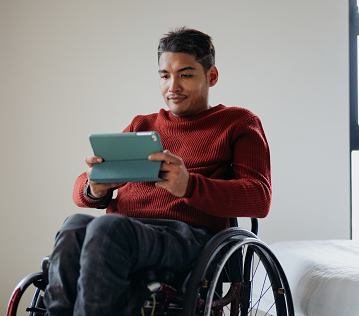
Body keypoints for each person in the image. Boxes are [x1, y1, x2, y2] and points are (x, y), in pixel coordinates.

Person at [43, 27, 272, 315]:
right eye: (165, 75)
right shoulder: (143, 125)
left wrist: (190, 185)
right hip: (125, 232)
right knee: (74, 225)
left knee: (107, 228)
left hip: (190, 237)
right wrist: (95, 187)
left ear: (211, 76)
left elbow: (259, 198)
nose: (172, 86)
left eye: (185, 75)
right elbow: (82, 190)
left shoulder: (238, 123)